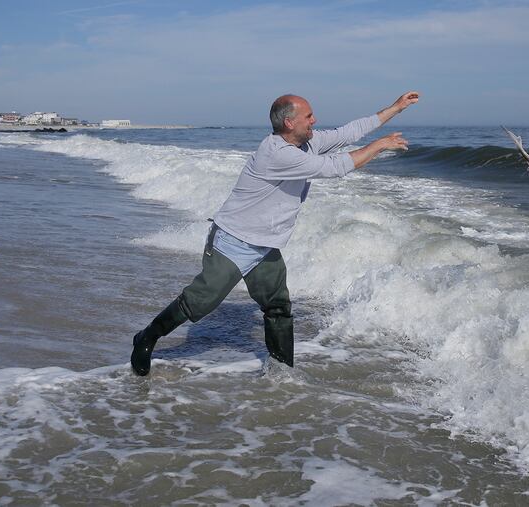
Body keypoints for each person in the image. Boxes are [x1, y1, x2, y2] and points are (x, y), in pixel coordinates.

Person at [131, 91, 420, 376]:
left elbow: (348, 133)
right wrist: (380, 145)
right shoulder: (277, 154)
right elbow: (335, 167)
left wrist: (396, 107)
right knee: (199, 303)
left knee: (278, 307)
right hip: (233, 241)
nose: (315, 120)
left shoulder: (306, 143)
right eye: (308, 116)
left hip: (266, 246)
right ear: (289, 123)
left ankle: (282, 372)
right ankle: (147, 337)